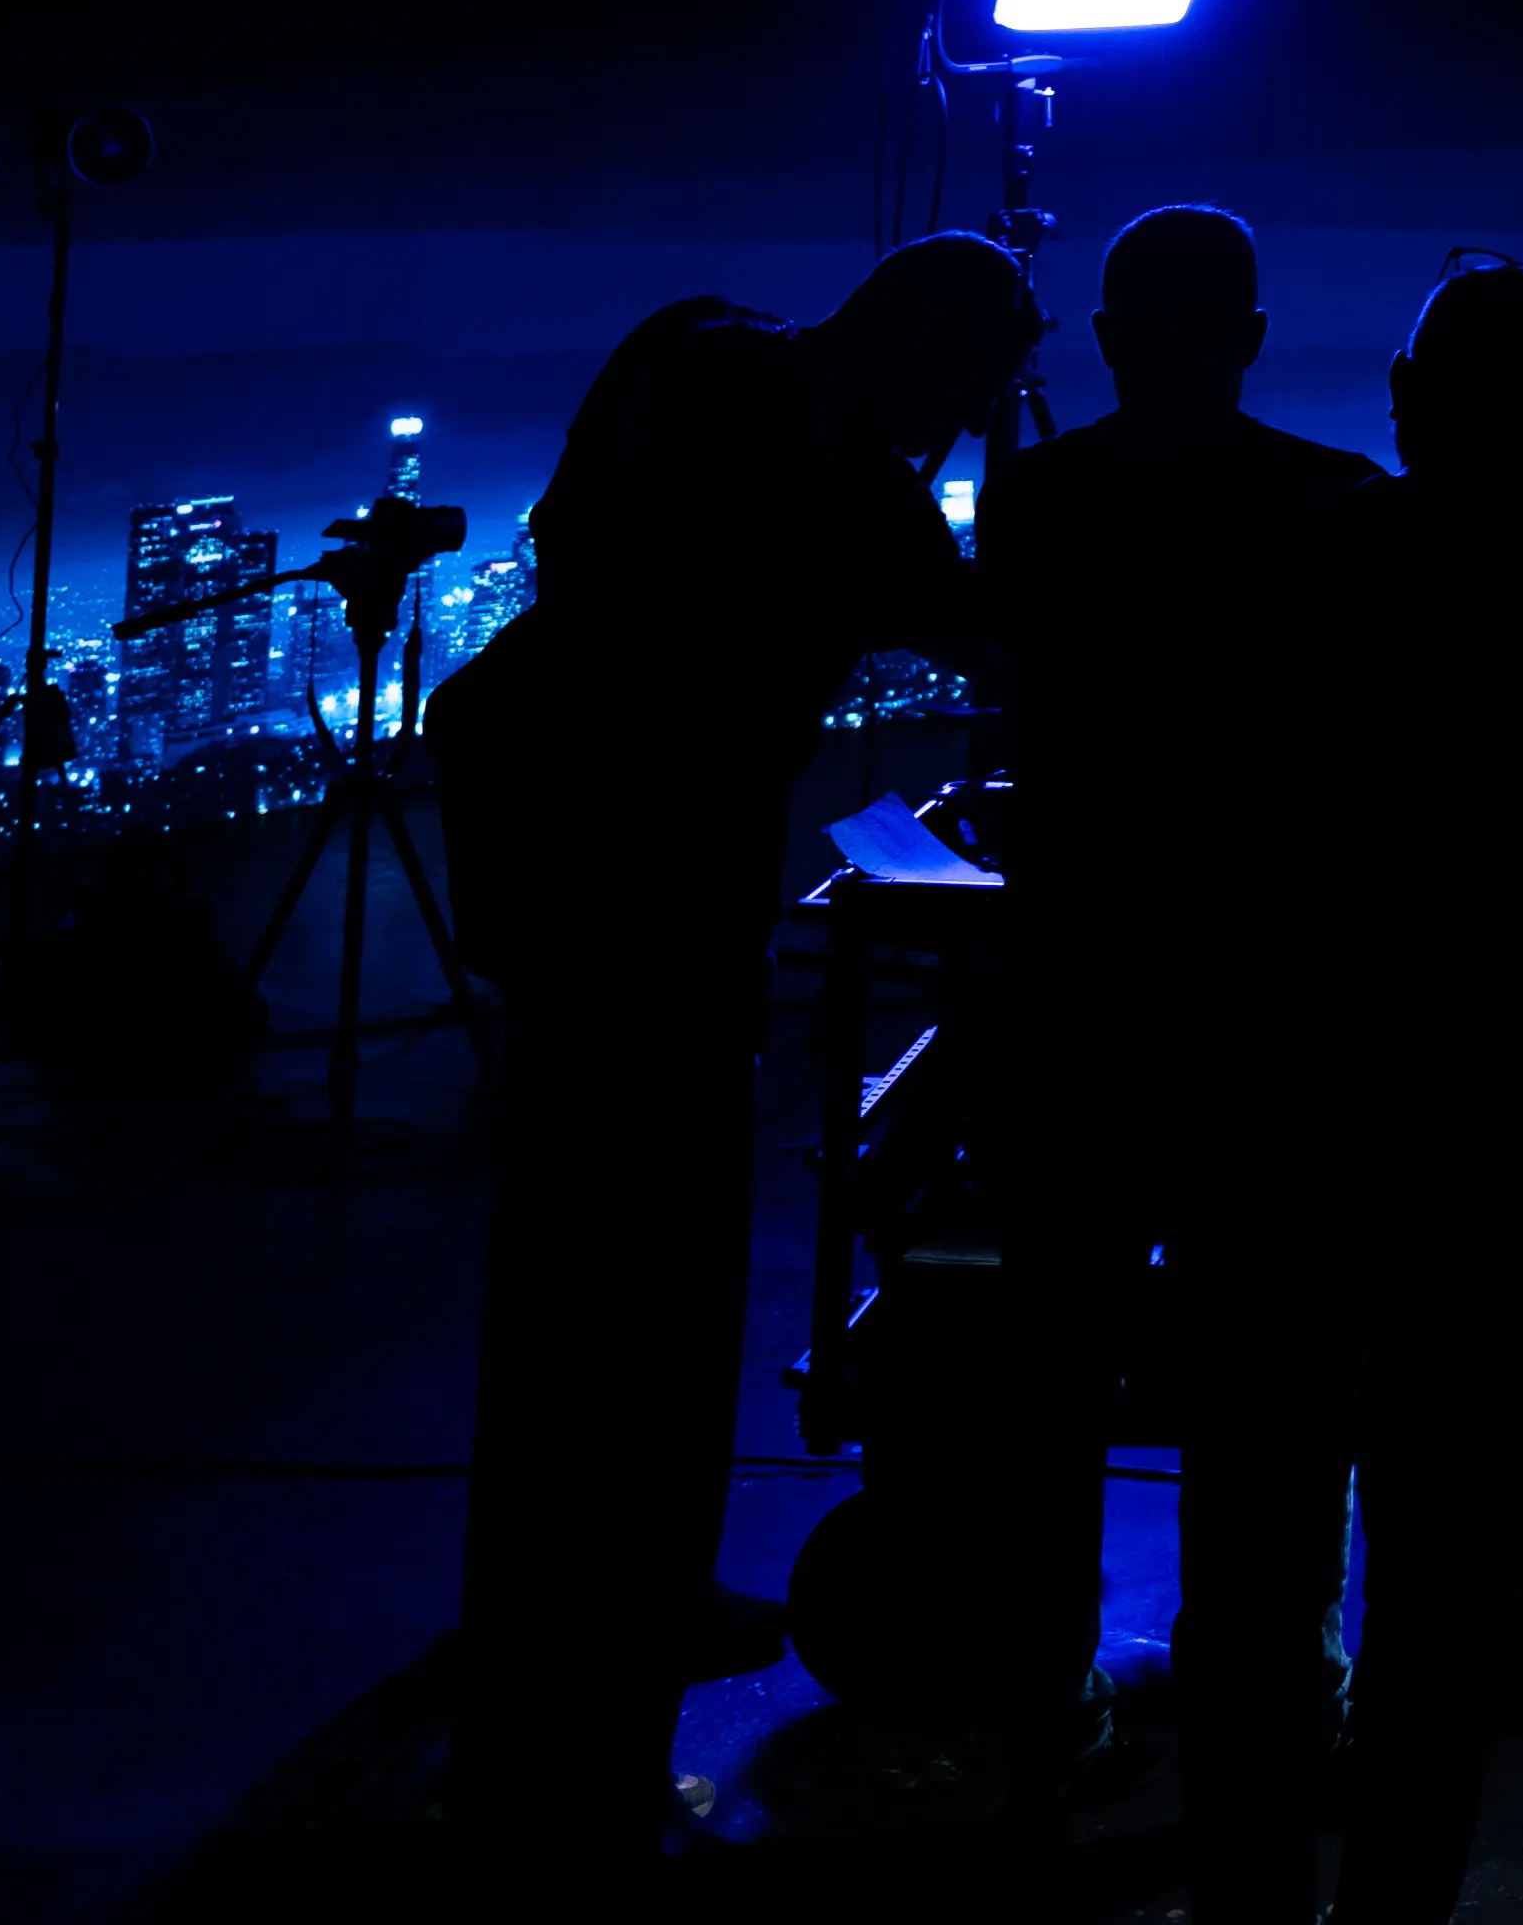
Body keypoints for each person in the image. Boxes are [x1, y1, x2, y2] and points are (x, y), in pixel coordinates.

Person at [424, 229, 1036, 1863]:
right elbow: (972, 628)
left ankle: (585, 1607)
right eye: (965, 395)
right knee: (643, 1267)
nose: (955, 431)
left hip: (591, 864)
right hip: (630, 884)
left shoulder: (708, 354)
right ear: (925, 357)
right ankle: (594, 1651)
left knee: (591, 1264)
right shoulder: (807, 446)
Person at [1166, 248, 1523, 1925]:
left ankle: (1243, 1890)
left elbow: (1184, 836)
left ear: (1405, 395)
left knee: (1251, 1535)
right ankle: (1397, 1903)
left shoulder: (1276, 570)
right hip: (1500, 1127)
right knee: (1443, 1551)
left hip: (1276, 1115)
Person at [966, 207, 1379, 1779]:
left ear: (1108, 338)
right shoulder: (1338, 504)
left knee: (1053, 1355)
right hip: (1269, 997)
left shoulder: (1035, 500)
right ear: (1250, 339)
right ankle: (1269, 1691)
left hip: (1077, 977)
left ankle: (1039, 1694)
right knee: (1272, 1365)